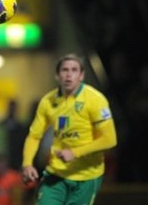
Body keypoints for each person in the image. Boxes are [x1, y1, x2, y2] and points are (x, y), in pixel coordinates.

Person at [21, 54, 118, 204]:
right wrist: (27, 164)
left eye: (74, 70)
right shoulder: (48, 101)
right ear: (57, 75)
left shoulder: (96, 100)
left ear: (81, 75)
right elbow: (34, 135)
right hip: (56, 174)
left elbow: (110, 139)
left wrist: (75, 153)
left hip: (86, 176)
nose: (69, 75)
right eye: (64, 70)